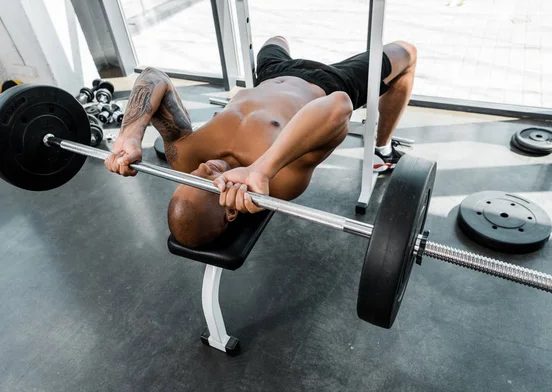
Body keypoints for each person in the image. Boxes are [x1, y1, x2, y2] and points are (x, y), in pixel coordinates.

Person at [105, 36, 417, 247]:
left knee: (274, 40)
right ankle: (383, 146)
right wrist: (261, 169)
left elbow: (154, 77)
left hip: (270, 73)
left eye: (192, 178)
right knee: (407, 53)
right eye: (208, 181)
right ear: (230, 211)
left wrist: (129, 134)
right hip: (328, 79)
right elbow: (339, 106)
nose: (203, 167)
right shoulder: (281, 181)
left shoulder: (185, 157)